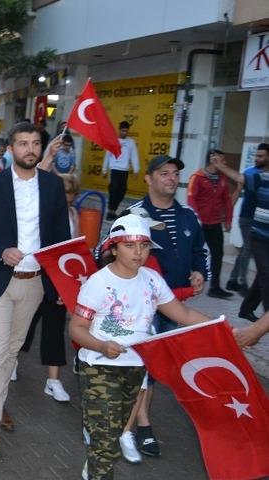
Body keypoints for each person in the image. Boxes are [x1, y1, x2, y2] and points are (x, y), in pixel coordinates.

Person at [71, 213, 211, 480]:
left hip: (136, 368)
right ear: (113, 248)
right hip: (99, 366)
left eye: (144, 245)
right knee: (105, 439)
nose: (138, 252)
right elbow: (76, 328)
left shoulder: (151, 280)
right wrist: (102, 345)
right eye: (129, 245)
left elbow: (182, 314)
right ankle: (99, 467)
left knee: (116, 432)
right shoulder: (97, 283)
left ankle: (97, 458)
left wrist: (222, 328)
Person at [0, 121, 70, 456]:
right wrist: (0, 251)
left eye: (35, 143)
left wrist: (60, 284)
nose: (30, 149)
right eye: (23, 143)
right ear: (10, 149)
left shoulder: (53, 187)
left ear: (41, 148)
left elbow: (59, 238)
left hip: (34, 284)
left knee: (11, 352)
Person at [118, 154, 207, 462]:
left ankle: (135, 422)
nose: (171, 178)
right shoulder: (133, 215)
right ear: (149, 178)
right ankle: (141, 425)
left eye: (174, 174)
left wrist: (200, 272)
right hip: (140, 307)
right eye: (164, 173)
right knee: (144, 368)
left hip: (175, 306)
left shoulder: (188, 216)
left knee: (155, 369)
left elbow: (199, 251)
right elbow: (111, 254)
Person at [19, 174, 82, 403]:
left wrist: (69, 284)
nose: (66, 196)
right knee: (25, 324)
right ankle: (12, 361)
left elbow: (75, 249)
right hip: (36, 274)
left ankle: (53, 380)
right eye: (62, 191)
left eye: (70, 191)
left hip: (59, 278)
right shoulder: (38, 210)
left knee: (55, 330)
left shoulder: (74, 215)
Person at [211, 144, 269, 319]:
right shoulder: (260, 177)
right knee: (267, 274)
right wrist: (220, 166)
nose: (257, 158)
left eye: (261, 155)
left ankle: (246, 309)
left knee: (263, 275)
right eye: (257, 155)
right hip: (259, 235)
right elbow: (240, 178)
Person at [187, 149, 234, 298]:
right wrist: (196, 219)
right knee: (192, 253)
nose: (224, 163)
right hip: (200, 224)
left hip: (214, 223)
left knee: (218, 254)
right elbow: (191, 198)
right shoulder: (198, 177)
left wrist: (228, 219)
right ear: (213, 159)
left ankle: (215, 287)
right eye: (222, 160)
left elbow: (226, 200)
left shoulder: (222, 178)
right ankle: (186, 281)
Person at [102, 121, 140, 220]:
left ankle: (113, 210)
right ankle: (110, 212)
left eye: (126, 131)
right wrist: (104, 169)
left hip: (124, 171)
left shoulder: (130, 142)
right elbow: (107, 155)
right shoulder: (113, 141)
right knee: (113, 190)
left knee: (122, 191)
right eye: (123, 130)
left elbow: (134, 156)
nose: (124, 133)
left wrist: (136, 170)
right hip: (114, 169)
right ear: (119, 130)